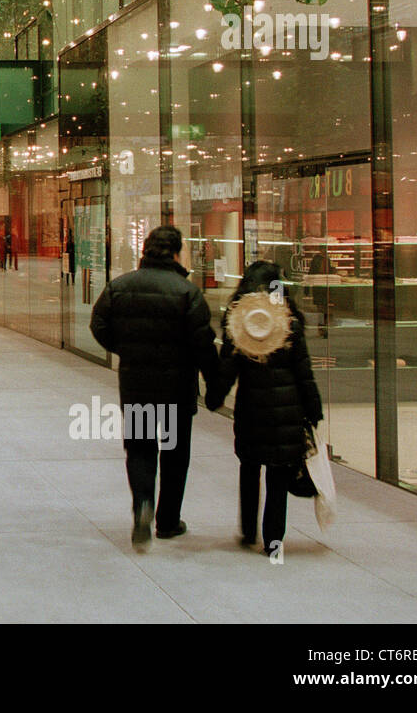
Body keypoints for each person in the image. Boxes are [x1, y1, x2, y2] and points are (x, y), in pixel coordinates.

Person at [89, 225, 220, 552]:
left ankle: (142, 506)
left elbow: (99, 325)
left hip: (137, 386)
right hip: (177, 389)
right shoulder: (187, 292)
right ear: (176, 253)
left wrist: (127, 349)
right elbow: (204, 344)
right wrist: (216, 384)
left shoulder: (120, 286)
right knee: (175, 454)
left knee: (141, 449)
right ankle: (168, 521)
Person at [206, 261, 324, 558]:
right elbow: (304, 373)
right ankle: (274, 541)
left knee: (249, 467)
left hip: (251, 410)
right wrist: (314, 409)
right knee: (278, 476)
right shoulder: (290, 322)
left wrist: (214, 396)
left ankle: (248, 530)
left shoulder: (238, 324)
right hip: (287, 411)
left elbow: (227, 368)